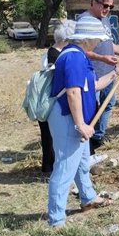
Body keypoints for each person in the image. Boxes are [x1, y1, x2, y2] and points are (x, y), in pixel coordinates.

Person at [47, 16, 119, 227]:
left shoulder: (79, 55)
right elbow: (73, 93)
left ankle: (87, 198)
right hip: (68, 119)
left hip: (77, 120)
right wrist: (80, 125)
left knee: (82, 163)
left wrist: (116, 72)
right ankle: (56, 220)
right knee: (65, 168)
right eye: (97, 39)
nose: (99, 43)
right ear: (88, 38)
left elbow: (93, 85)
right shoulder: (73, 57)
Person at [77, 0, 119, 157]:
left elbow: (108, 42)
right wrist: (102, 58)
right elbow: (81, 50)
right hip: (94, 74)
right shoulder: (84, 21)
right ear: (93, 2)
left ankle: (98, 137)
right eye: (104, 5)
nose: (107, 9)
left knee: (108, 104)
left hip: (109, 71)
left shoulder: (105, 20)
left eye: (110, 6)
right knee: (91, 109)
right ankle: (88, 145)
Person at [38, 20, 76, 174]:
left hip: (48, 101)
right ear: (67, 40)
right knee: (53, 137)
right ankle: (53, 168)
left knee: (49, 136)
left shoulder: (50, 53)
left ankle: (49, 167)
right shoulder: (57, 57)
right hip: (54, 102)